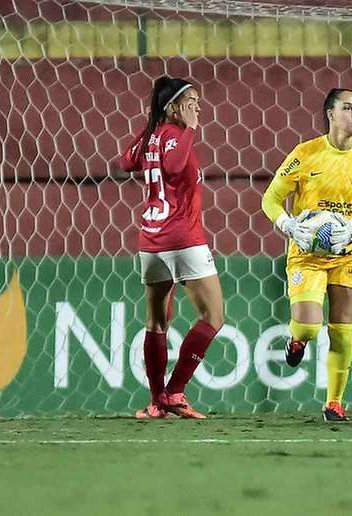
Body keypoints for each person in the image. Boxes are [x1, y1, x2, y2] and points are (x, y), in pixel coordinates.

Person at [261, 88, 352, 422]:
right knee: (308, 327)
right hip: (307, 251)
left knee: (343, 329)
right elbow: (270, 199)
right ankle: (296, 341)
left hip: (351, 253)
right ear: (330, 114)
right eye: (347, 108)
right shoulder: (306, 154)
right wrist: (287, 225)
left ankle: (334, 402)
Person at [120, 76, 225, 420]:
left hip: (150, 242)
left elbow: (126, 161)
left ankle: (155, 401)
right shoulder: (177, 137)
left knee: (156, 323)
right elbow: (175, 165)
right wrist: (189, 129)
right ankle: (175, 391)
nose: (198, 106)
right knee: (213, 316)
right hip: (183, 239)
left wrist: (152, 124)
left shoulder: (152, 137)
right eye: (191, 101)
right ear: (173, 108)